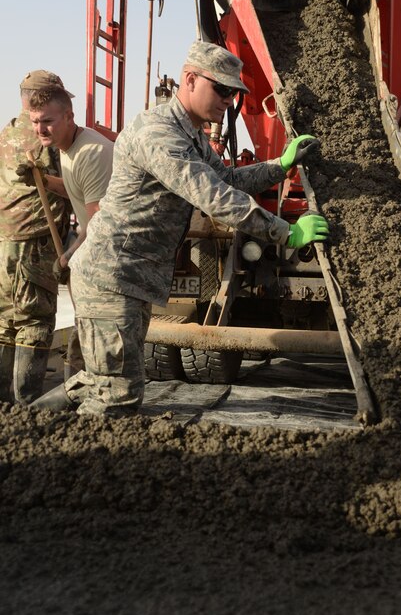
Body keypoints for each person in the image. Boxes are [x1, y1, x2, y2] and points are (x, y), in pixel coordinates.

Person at [31, 41, 329, 416]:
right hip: (110, 276)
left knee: (102, 380)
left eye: (233, 92)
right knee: (117, 397)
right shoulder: (159, 134)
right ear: (190, 80)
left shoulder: (191, 134)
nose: (228, 99)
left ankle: (27, 423)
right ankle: (62, 463)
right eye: (221, 89)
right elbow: (212, 195)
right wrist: (286, 232)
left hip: (128, 279)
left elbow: (226, 179)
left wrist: (278, 164)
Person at [24, 85, 114, 380]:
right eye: (35, 121)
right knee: (84, 335)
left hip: (110, 259)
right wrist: (45, 180)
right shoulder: (67, 147)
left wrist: (68, 258)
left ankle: (92, 404)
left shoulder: (92, 152)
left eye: (47, 120)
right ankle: (81, 399)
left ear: (68, 116)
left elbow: (98, 223)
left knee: (98, 342)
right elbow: (78, 190)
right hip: (95, 253)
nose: (40, 128)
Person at [0, 70, 71, 404]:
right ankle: (27, 404)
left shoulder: (8, 131)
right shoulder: (46, 141)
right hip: (35, 244)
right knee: (35, 320)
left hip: (5, 243)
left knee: (5, 321)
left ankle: (4, 406)